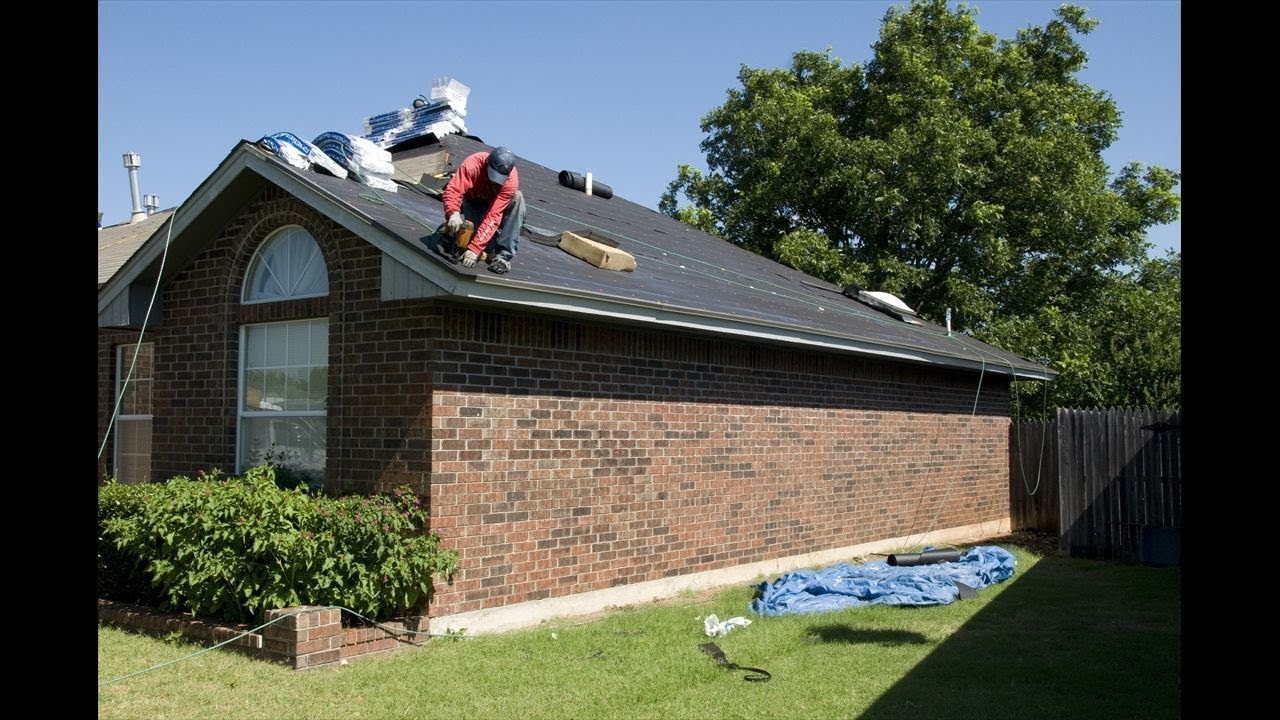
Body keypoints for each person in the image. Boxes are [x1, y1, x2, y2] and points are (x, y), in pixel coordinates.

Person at [441, 146, 525, 274]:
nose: (496, 180)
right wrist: (453, 213)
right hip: (474, 202)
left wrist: (475, 249)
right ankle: (452, 230)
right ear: (487, 163)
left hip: (496, 207)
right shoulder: (473, 164)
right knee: (476, 241)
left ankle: (503, 257)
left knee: (517, 198)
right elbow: (454, 189)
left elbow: (494, 215)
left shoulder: (510, 180)